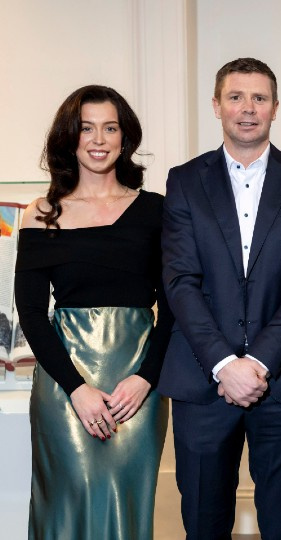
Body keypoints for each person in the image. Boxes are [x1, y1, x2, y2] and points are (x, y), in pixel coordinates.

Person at [159, 57, 281, 539]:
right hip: (202, 381)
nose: (247, 108)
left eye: (260, 98)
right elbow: (180, 281)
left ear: (276, 108)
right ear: (217, 105)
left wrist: (258, 361)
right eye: (236, 97)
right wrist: (224, 364)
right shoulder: (185, 180)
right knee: (204, 524)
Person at [15, 85, 173, 539]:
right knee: (69, 496)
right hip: (64, 388)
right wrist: (77, 389)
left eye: (110, 127)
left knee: (128, 500)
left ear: (126, 138)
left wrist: (147, 377)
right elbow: (30, 313)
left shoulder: (156, 211)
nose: (99, 139)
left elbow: (176, 307)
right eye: (87, 128)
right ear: (70, 136)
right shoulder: (42, 214)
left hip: (137, 388)